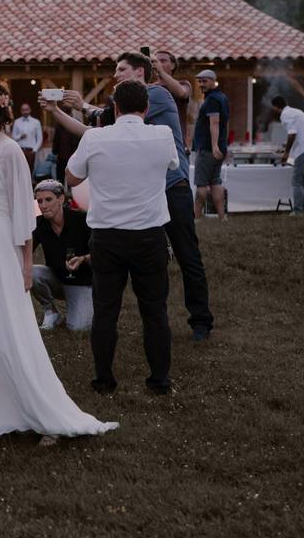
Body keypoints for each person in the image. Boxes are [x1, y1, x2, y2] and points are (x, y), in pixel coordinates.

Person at [0, 78, 117, 445]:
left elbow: (24, 212)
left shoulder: (10, 153)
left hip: (1, 249)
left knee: (9, 330)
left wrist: (25, 264)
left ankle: (42, 410)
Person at [53, 51, 215, 341]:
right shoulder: (123, 106)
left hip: (171, 186)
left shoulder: (157, 95)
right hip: (144, 193)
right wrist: (57, 112)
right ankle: (146, 318)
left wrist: (82, 104)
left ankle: (200, 322)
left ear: (140, 72)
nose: (116, 75)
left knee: (187, 254)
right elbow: (93, 132)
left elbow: (103, 123)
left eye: (121, 69)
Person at [64, 80, 179, 395]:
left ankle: (104, 380)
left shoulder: (95, 137)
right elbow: (173, 164)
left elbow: (72, 177)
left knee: (105, 310)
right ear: (147, 108)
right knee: (155, 310)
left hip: (107, 236)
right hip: (149, 234)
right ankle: (159, 381)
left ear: (114, 108)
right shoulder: (162, 134)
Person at [31, 179, 93, 332]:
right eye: (39, 201)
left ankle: (88, 304)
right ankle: (51, 312)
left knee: (79, 328)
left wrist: (83, 259)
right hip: (57, 278)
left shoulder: (81, 220)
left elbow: (102, 253)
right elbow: (24, 252)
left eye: (48, 199)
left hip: (82, 282)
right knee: (31, 271)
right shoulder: (38, 224)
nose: (43, 205)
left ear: (61, 199)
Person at [270, 96, 304, 213]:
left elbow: (292, 133)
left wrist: (286, 153)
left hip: (303, 151)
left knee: (297, 182)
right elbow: (299, 132)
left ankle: (298, 212)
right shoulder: (297, 111)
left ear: (275, 107)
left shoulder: (285, 114)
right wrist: (285, 145)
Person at [192, 69, 229, 220]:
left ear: (213, 81)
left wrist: (214, 146)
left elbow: (214, 122)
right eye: (199, 81)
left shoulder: (212, 100)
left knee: (201, 184)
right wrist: (221, 145)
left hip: (208, 148)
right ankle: (222, 217)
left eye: (204, 81)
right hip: (219, 148)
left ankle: (196, 218)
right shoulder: (221, 97)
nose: (201, 84)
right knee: (215, 181)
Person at [152, 50, 193, 149]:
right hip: (155, 144)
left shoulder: (184, 84)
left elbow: (182, 93)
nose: (159, 64)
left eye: (163, 61)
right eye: (156, 61)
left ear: (173, 65)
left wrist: (161, 72)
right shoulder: (150, 88)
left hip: (177, 144)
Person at [11, 102, 43, 176]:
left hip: (31, 151)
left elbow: (39, 138)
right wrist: (20, 136)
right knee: (19, 171)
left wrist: (34, 150)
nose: (25, 111)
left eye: (27, 109)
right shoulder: (17, 122)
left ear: (30, 110)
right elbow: (13, 137)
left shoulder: (36, 122)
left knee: (29, 171)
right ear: (21, 111)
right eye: (23, 110)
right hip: (20, 150)